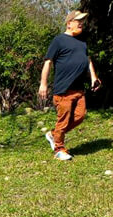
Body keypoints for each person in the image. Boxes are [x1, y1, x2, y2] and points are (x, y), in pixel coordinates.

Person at [39, 10, 100, 160]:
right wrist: (43, 84)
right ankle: (59, 150)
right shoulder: (59, 40)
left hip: (79, 89)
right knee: (63, 120)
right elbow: (48, 62)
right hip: (63, 90)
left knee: (80, 116)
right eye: (78, 21)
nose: (81, 23)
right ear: (69, 23)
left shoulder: (82, 41)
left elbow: (88, 59)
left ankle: (53, 135)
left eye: (82, 21)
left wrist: (93, 77)